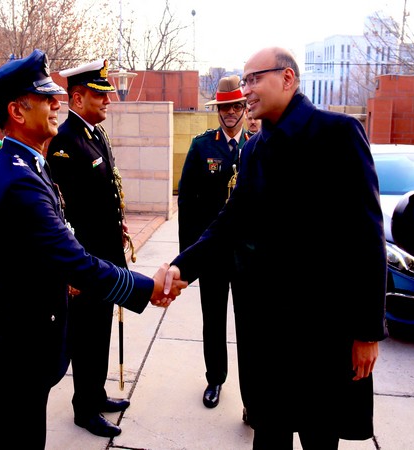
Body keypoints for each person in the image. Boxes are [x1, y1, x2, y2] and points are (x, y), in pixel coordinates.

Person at [165, 46, 388, 449]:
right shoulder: (254, 150)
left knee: (319, 436)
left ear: (288, 78)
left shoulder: (336, 134)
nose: (246, 90)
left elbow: (367, 235)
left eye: (254, 79)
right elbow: (230, 222)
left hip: (321, 331)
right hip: (266, 331)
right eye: (244, 79)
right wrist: (183, 266)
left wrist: (368, 330)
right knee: (269, 434)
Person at [0, 49, 186, 450]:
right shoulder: (20, 179)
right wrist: (148, 288)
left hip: (26, 345)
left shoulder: (29, 165)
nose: (57, 104)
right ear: (18, 112)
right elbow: (73, 259)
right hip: (17, 351)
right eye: (47, 98)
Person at [45, 58, 134, 438]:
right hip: (87, 262)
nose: (108, 101)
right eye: (100, 95)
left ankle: (96, 394)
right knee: (86, 335)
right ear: (77, 99)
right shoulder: (65, 143)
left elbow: (105, 193)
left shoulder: (96, 135)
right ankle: (84, 408)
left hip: (106, 255)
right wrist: (71, 272)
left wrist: (120, 225)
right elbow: (65, 212)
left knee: (100, 332)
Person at [177, 74, 252, 410]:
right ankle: (215, 378)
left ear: (244, 107)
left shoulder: (257, 145)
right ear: (218, 110)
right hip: (213, 253)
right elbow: (187, 203)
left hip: (250, 257)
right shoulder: (202, 146)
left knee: (252, 327)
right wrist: (188, 256)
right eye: (225, 107)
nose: (231, 112)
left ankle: (253, 397)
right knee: (214, 319)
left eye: (236, 105)